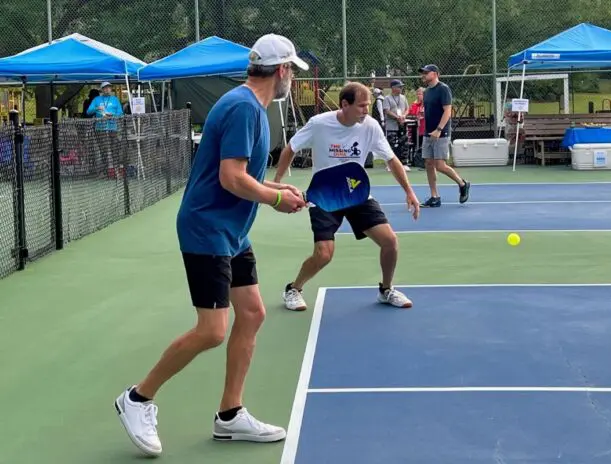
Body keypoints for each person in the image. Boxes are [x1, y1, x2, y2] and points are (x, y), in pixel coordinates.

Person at [113, 33, 308, 457]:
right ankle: (137, 398)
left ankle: (230, 415)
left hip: (231, 231)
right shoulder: (243, 108)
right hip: (207, 229)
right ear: (280, 71)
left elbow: (244, 176)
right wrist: (275, 198)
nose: (291, 77)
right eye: (291, 70)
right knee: (213, 330)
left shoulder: (250, 107)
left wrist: (278, 188)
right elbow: (230, 178)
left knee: (253, 313)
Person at [274, 82, 420, 312]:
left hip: (356, 192)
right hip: (324, 195)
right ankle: (294, 288)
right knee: (323, 254)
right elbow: (291, 148)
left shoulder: (370, 126)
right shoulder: (320, 124)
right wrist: (277, 183)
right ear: (345, 104)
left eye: (368, 105)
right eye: (362, 105)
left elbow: (391, 159)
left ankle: (386, 289)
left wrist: (409, 192)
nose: (366, 110)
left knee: (390, 241)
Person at [417, 64, 470, 207]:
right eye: (423, 73)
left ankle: (462, 184)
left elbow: (447, 111)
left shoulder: (443, 89)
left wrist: (439, 129)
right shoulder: (427, 91)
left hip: (441, 132)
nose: (423, 75)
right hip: (429, 132)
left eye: (426, 73)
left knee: (440, 165)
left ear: (435, 74)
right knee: (428, 164)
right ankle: (435, 197)